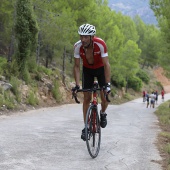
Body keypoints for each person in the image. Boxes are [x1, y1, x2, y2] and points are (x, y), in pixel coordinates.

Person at [72, 23, 111, 141]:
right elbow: (77, 67)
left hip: (101, 70)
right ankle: (86, 126)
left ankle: (103, 113)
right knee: (87, 99)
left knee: (104, 97)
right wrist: (77, 84)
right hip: (87, 71)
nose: (83, 39)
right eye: (81, 36)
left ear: (91, 37)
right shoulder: (77, 47)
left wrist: (107, 84)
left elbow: (106, 64)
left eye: (86, 37)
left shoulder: (100, 44)